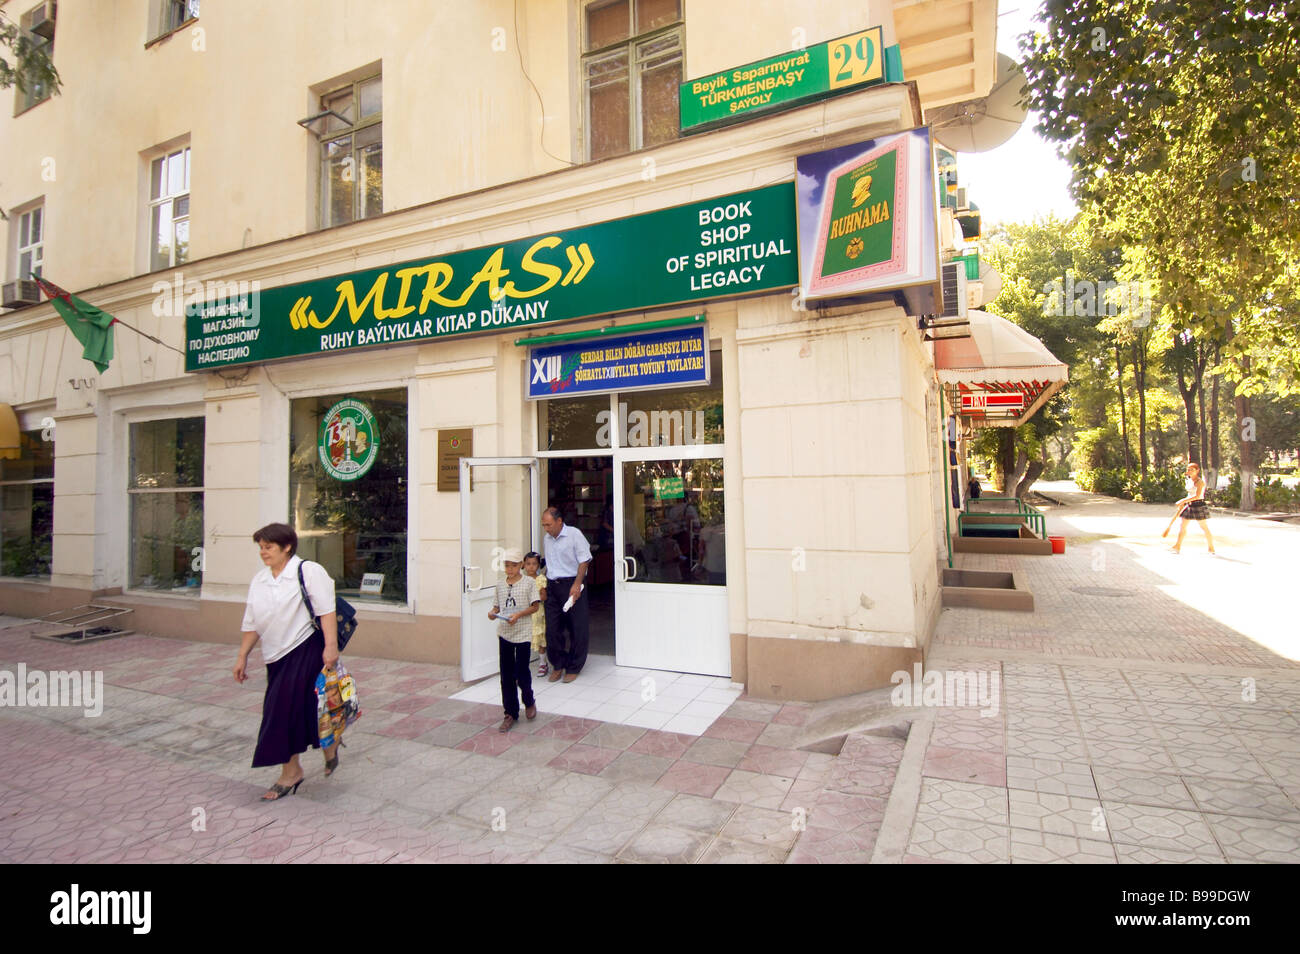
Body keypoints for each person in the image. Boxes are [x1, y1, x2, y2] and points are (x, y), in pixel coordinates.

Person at [233, 522, 340, 801]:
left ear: (287, 547)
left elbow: (327, 610)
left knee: (279, 711)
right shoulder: (260, 580)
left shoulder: (307, 571)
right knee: (307, 709)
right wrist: (242, 656)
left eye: (268, 547)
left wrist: (331, 646)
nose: (263, 552)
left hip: (305, 648)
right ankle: (330, 744)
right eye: (260, 547)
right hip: (274, 656)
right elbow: (252, 622)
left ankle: (291, 772)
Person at [488, 547, 541, 732]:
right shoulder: (500, 585)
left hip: (523, 633)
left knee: (521, 671)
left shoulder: (528, 583)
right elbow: (497, 606)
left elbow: (535, 606)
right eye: (506, 566)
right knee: (506, 674)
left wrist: (519, 614)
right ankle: (510, 712)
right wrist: (493, 613)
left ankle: (529, 701)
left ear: (520, 565)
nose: (509, 569)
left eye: (513, 566)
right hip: (505, 633)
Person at [540, 506, 591, 683]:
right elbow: (550, 563)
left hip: (572, 584)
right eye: (544, 525)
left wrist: (577, 584)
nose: (546, 529)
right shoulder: (547, 539)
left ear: (559, 521)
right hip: (553, 585)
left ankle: (574, 666)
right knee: (553, 629)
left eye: (549, 524)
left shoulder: (574, 535)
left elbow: (584, 560)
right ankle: (558, 664)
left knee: (577, 628)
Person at [1171, 462, 1215, 555]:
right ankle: (1177, 546)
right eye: (1188, 469)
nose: (1189, 471)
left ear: (1197, 471)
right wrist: (1184, 503)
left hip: (1199, 505)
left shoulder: (1200, 482)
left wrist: (1182, 501)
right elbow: (1190, 494)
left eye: (1192, 469)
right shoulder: (1189, 480)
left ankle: (1211, 547)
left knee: (1204, 527)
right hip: (1190, 505)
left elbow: (1197, 495)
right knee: (1182, 526)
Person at [523, 551, 549, 677]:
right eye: (528, 564)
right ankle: (522, 664)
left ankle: (543, 663)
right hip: (524, 613)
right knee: (524, 637)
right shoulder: (522, 580)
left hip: (537, 612)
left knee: (539, 638)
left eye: (534, 564)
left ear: (538, 565)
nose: (531, 567)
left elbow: (544, 596)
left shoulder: (540, 579)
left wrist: (533, 598)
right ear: (524, 565)